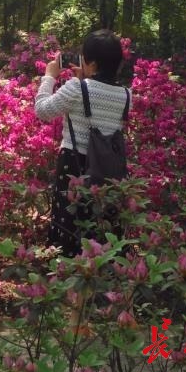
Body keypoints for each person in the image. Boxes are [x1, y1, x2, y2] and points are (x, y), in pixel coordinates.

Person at [34, 29, 131, 257]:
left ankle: (67, 274)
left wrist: (49, 76)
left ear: (90, 61)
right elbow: (99, 106)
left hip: (74, 165)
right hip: (109, 169)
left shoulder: (78, 88)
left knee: (70, 223)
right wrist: (84, 80)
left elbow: (42, 111)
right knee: (101, 221)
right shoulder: (127, 94)